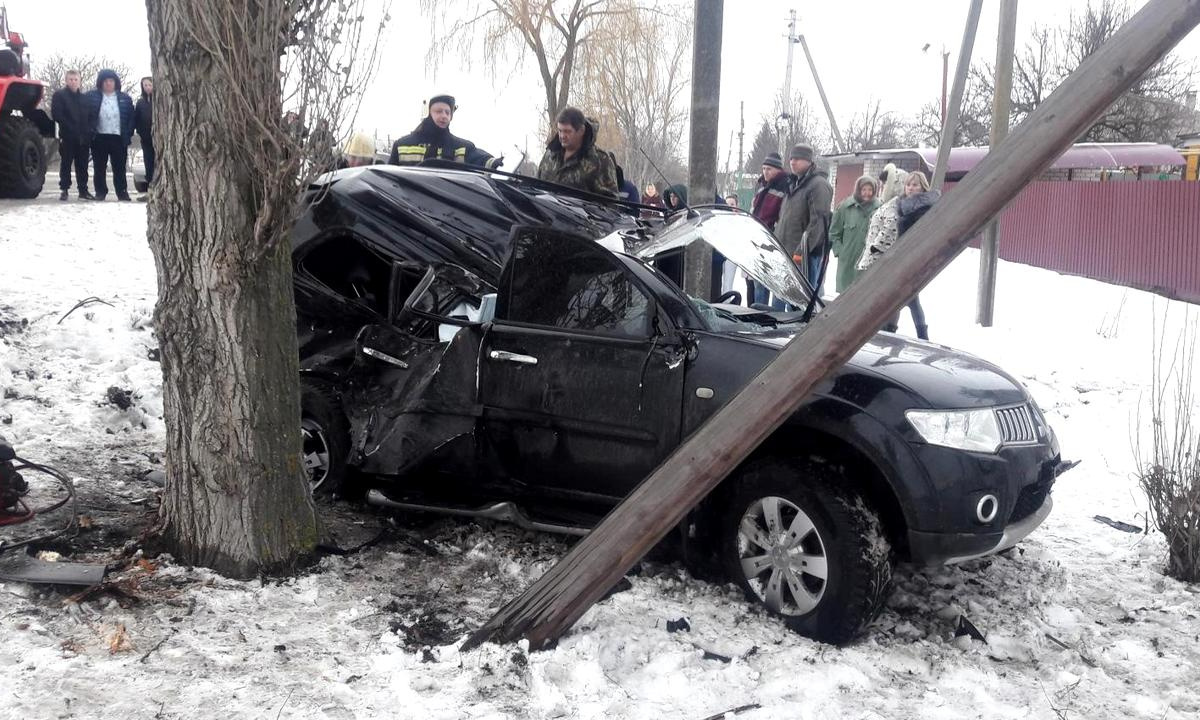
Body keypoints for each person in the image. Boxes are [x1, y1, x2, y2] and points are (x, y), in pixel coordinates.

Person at [857, 170, 938, 340]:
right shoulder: (902, 204)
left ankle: (921, 335)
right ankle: (892, 330)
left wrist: (878, 248)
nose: (910, 188)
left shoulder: (923, 207)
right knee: (900, 297)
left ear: (923, 186)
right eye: (908, 184)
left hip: (913, 258)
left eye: (915, 185)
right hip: (899, 258)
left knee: (911, 299)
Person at [775, 144, 833, 295]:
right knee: (783, 299)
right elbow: (785, 220)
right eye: (791, 158)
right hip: (786, 252)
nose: (793, 162)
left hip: (804, 256)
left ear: (809, 161)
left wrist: (802, 251)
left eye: (798, 159)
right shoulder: (793, 184)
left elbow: (818, 222)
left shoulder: (818, 185)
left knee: (801, 301)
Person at [389, 94, 501, 169]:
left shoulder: (462, 148)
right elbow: (388, 181)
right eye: (438, 111)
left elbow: (482, 160)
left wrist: (496, 163)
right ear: (427, 114)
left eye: (448, 112)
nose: (444, 116)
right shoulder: (401, 146)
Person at [536, 107, 617, 196]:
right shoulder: (550, 155)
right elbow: (537, 187)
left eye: (567, 131)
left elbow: (611, 204)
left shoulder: (600, 161)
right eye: (560, 130)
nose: (562, 136)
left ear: (581, 130)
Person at [84, 69, 135, 201]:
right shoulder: (91, 97)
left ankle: (122, 191)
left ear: (116, 83)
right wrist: (89, 131)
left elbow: (131, 118)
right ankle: (100, 192)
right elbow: (85, 115)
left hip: (118, 137)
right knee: (99, 167)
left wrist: (128, 133)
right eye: (105, 81)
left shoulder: (125, 98)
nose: (108, 83)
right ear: (100, 82)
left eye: (111, 81)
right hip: (99, 137)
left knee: (119, 167)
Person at [747, 152, 789, 305]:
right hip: (758, 238)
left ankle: (775, 316)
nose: (765, 172)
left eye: (769, 169)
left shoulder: (785, 185)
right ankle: (761, 314)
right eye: (764, 168)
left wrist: (774, 234)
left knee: (776, 283)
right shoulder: (761, 185)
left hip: (774, 240)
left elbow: (783, 215)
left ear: (778, 170)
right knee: (760, 281)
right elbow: (754, 209)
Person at [829, 176, 881, 293]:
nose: (867, 193)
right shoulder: (845, 207)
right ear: (858, 190)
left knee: (864, 296)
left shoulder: (880, 209)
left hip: (869, 263)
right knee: (845, 295)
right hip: (847, 262)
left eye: (870, 190)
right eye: (863, 190)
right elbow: (834, 232)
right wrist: (840, 251)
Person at [50, 69, 92, 201]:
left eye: (76, 80)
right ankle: (64, 189)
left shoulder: (85, 98)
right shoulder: (60, 95)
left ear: (80, 81)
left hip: (83, 137)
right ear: (66, 80)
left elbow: (91, 116)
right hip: (67, 136)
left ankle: (83, 190)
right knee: (66, 164)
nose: (73, 82)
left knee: (82, 165)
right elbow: (57, 114)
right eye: (71, 80)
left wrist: (89, 130)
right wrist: (70, 127)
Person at [134, 76, 154, 191]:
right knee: (148, 161)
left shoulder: (159, 100)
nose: (147, 87)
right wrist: (140, 132)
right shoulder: (141, 102)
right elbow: (137, 119)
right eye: (145, 85)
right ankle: (150, 185)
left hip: (158, 137)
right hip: (146, 137)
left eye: (149, 85)